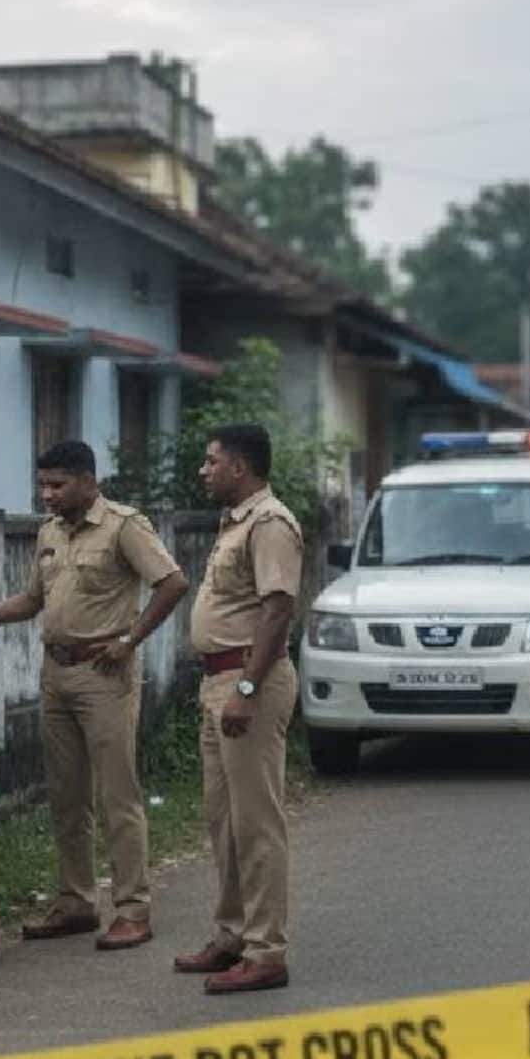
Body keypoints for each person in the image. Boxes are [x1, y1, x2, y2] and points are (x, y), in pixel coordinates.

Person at [0, 440, 187, 951]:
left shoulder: (124, 526)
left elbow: (172, 583)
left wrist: (129, 640)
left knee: (116, 795)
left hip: (104, 675)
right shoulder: (49, 532)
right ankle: (77, 901)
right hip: (55, 674)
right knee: (66, 795)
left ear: (87, 480)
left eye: (57, 485)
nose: (47, 495)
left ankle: (132, 909)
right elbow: (33, 600)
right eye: (43, 485)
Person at [173, 423, 303, 995]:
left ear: (240, 467)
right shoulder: (236, 523)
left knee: (256, 825)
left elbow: (278, 611)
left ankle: (266, 951)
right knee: (223, 823)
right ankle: (230, 936)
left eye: (211, 461)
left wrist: (247, 691)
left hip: (250, 682)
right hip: (219, 684)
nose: (204, 471)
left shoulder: (271, 523)